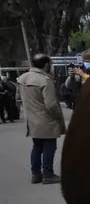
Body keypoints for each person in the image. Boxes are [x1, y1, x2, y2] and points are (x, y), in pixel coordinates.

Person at [16, 53, 67, 184]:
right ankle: (48, 174)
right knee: (49, 147)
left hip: (32, 120)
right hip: (47, 120)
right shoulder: (45, 80)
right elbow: (51, 105)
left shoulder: (22, 78)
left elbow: (18, 99)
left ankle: (36, 174)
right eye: (50, 64)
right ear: (46, 65)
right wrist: (58, 118)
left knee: (37, 147)